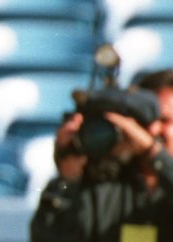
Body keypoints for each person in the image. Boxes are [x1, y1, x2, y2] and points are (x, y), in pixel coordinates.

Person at [30, 68, 173, 242]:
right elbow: (46, 236)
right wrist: (68, 179)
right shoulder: (102, 182)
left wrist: (154, 153)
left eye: (166, 121)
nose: (153, 129)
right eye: (145, 120)